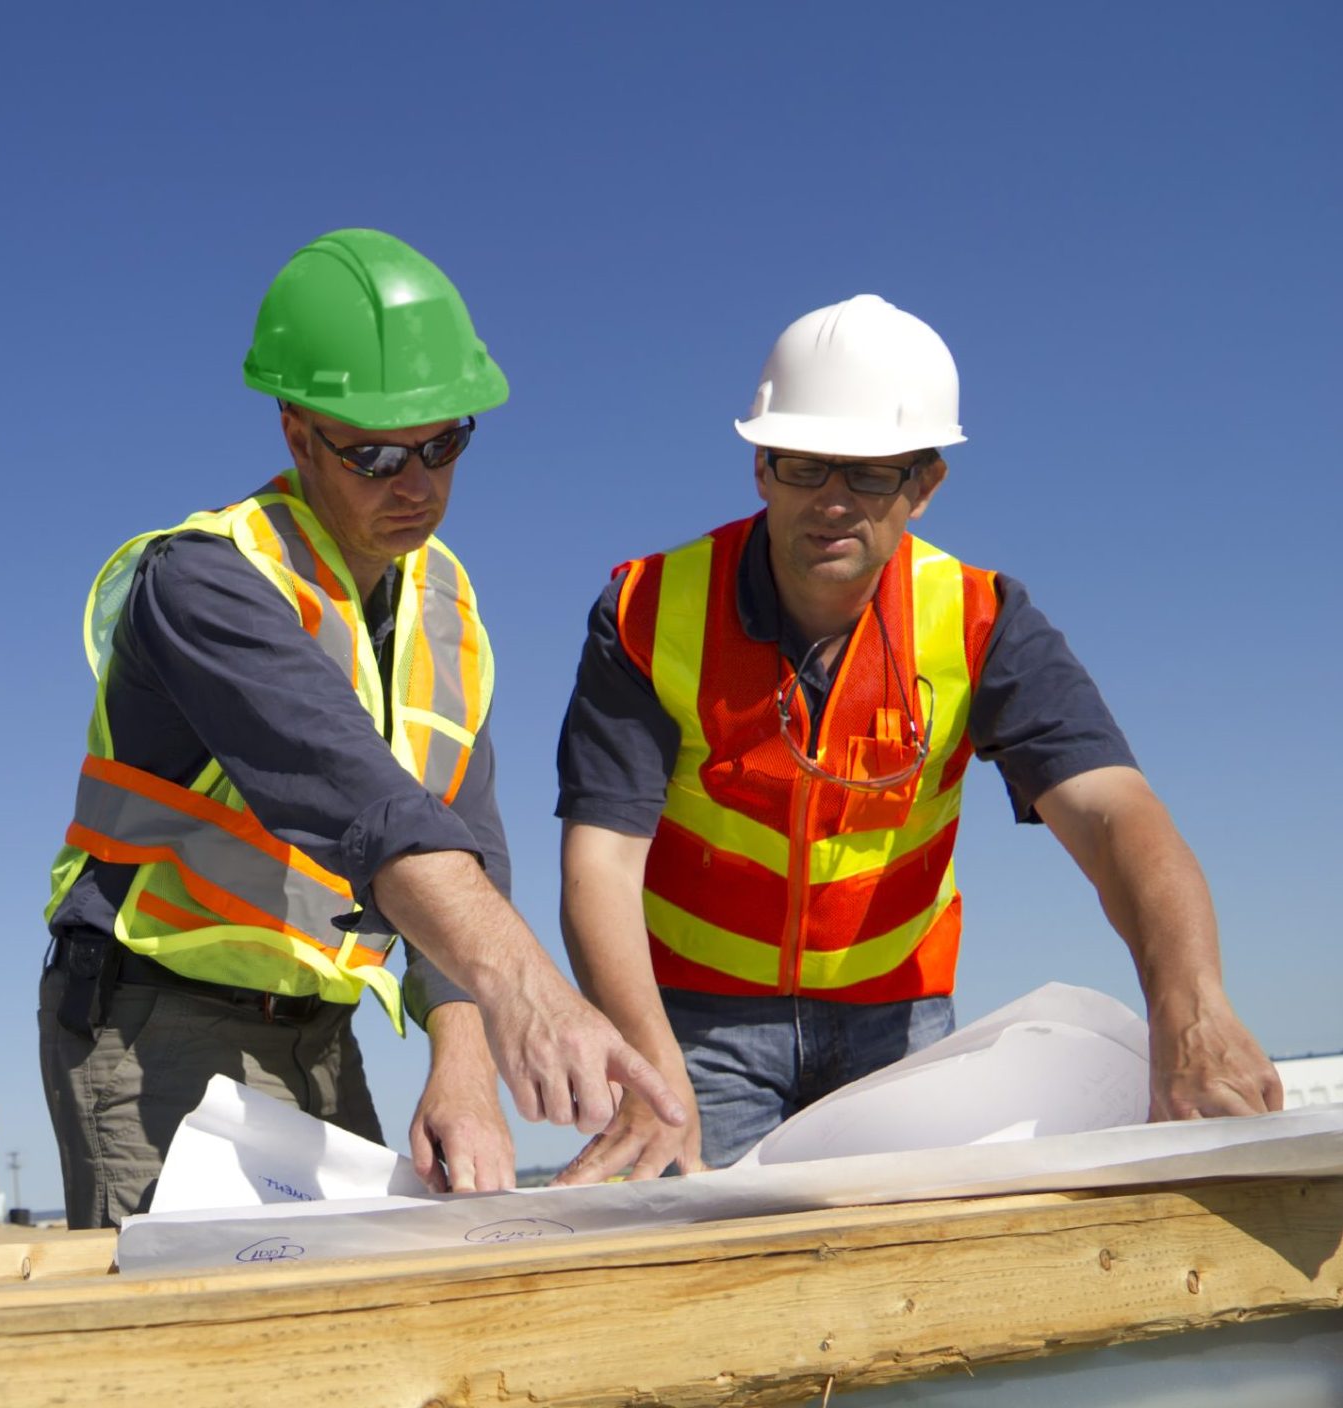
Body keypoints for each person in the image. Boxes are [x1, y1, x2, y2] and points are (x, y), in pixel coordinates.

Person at [550, 293, 1283, 1184]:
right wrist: (644, 1061)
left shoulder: (983, 620)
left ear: (923, 486)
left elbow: (1112, 814)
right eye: (803, 464)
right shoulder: (645, 610)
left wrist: (1191, 1008)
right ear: (759, 467)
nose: (830, 501)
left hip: (895, 1020)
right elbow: (600, 862)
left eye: (867, 473)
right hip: (691, 1022)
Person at [39, 229, 680, 1228]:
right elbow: (369, 808)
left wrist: (462, 1058)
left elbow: (462, 837)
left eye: (442, 443)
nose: (414, 481)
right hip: (152, 1019)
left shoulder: (445, 602)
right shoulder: (206, 581)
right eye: (375, 452)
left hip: (318, 1032)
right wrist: (527, 988)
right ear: (298, 436)